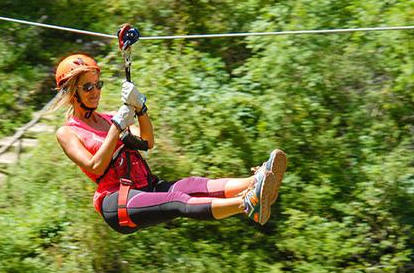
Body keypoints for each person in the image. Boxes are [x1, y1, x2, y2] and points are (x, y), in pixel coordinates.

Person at [53, 53, 287, 234]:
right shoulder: (68, 132)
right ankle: (247, 204)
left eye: (98, 84)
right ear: (72, 92)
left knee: (190, 184)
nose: (95, 92)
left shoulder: (108, 118)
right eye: (88, 87)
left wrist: (140, 109)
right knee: (177, 201)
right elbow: (95, 166)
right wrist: (117, 126)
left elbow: (147, 141)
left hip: (146, 185)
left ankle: (256, 182)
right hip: (117, 200)